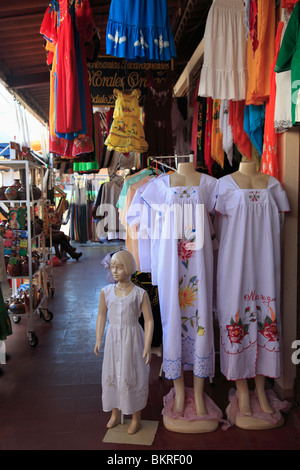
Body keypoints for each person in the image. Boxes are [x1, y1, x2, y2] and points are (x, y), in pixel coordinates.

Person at [215, 161, 290, 429]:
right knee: (238, 321)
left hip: (266, 265)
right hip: (234, 266)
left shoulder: (274, 185)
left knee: (266, 321)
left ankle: (261, 388)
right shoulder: (223, 185)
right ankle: (242, 389)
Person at [94, 250, 154, 435]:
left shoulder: (139, 293)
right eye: (112, 267)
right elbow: (101, 315)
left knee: (132, 373)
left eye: (119, 267)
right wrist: (98, 339)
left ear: (128, 268)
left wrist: (147, 345)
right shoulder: (106, 292)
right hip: (113, 339)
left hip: (132, 338)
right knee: (112, 372)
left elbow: (149, 320)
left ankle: (136, 417)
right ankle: (114, 412)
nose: (115, 271)